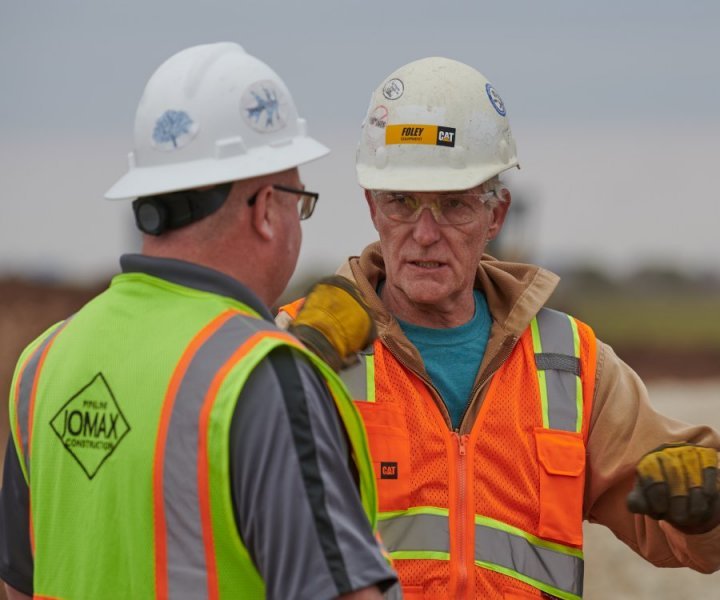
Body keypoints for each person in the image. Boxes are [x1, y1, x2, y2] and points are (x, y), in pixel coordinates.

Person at [279, 57, 720, 599]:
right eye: (401, 202)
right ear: (372, 207)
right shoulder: (306, 343)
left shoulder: (571, 364)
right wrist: (290, 364)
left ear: (496, 215)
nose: (423, 234)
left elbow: (685, 537)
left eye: (453, 205)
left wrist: (707, 508)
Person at [0, 42, 397, 600]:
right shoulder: (265, 379)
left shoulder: (42, 365)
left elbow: (19, 587)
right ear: (264, 208)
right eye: (299, 202)